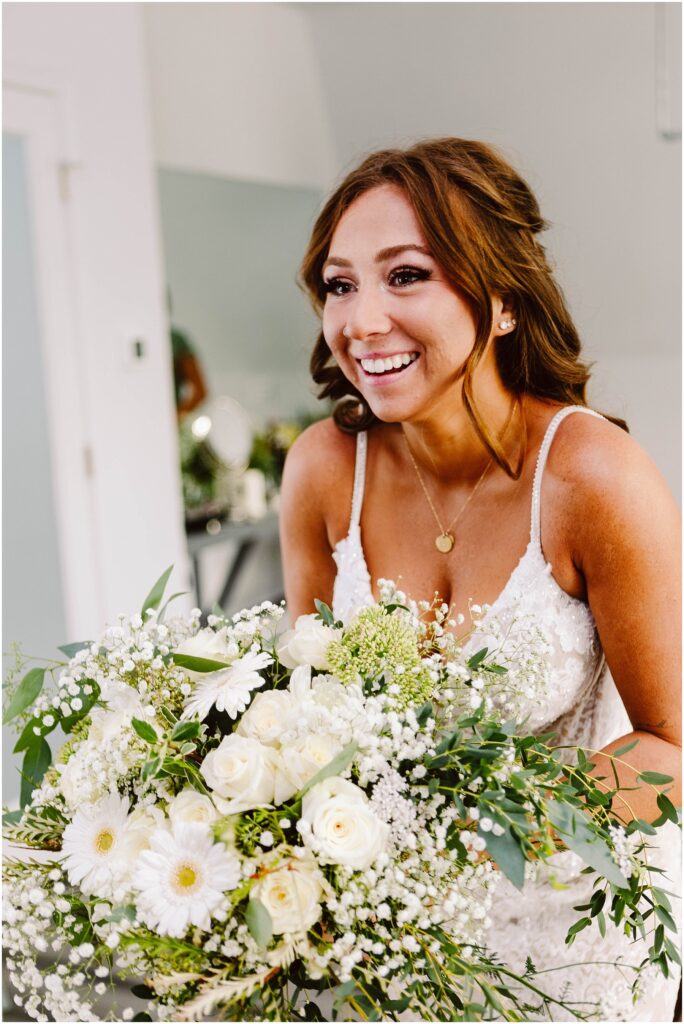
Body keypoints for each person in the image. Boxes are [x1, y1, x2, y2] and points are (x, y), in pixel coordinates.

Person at [279, 138, 681, 1020]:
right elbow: (301, 713)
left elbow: (672, 748)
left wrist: (486, 821)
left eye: (406, 275)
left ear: (501, 300)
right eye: (340, 285)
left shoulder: (593, 479)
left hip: (574, 946)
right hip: (396, 947)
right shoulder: (322, 470)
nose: (362, 321)